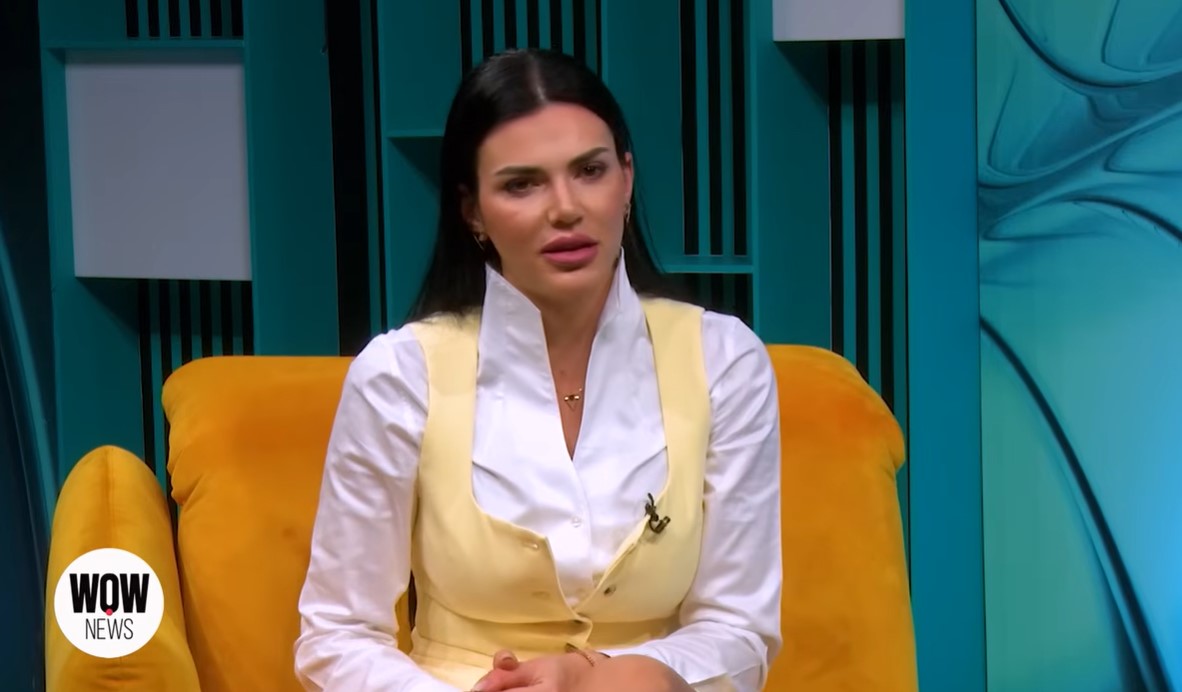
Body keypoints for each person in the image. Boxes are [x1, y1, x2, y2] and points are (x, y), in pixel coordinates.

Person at [293, 48, 782, 692]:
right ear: (472, 211)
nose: (565, 208)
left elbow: (739, 627)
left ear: (626, 179)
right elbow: (336, 636)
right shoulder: (399, 376)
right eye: (522, 184)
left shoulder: (725, 361)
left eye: (590, 170)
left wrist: (610, 676)